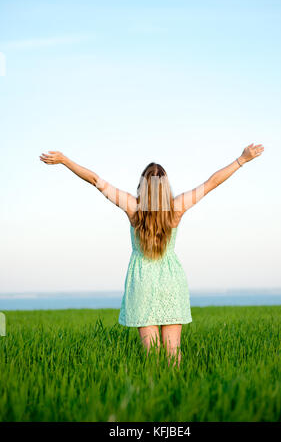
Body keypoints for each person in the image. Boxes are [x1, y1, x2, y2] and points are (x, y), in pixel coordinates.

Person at [39, 143, 264, 367]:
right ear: (165, 186)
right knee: (173, 354)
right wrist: (241, 160)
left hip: (142, 281)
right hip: (171, 281)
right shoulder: (177, 207)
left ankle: (153, 393)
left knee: (151, 357)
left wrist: (65, 160)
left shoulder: (132, 207)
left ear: (142, 185)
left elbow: (96, 181)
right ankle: (176, 394)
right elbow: (211, 183)